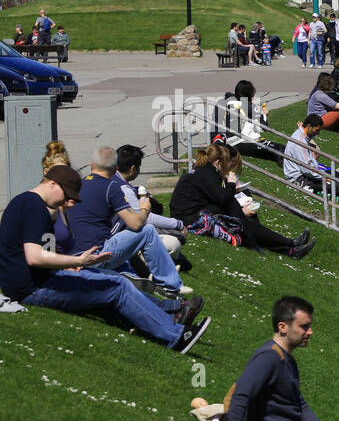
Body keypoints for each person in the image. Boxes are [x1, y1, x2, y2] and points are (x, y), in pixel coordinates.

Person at [0, 165, 209, 351]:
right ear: (52, 184)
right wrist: (77, 261)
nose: (68, 202)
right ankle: (175, 336)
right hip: (32, 288)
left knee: (105, 279)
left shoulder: (23, 201)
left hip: (29, 282)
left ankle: (170, 315)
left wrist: (68, 265)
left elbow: (35, 254)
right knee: (117, 285)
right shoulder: (35, 207)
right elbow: (34, 257)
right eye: (66, 195)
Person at [218, 296, 333, 421]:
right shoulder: (269, 357)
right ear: (283, 327)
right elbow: (240, 394)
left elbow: (300, 405)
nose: (310, 332)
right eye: (304, 327)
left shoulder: (287, 360)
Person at [66, 146, 188, 297]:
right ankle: (170, 286)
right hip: (97, 254)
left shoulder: (79, 185)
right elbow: (136, 224)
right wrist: (144, 208)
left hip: (72, 256)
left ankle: (128, 277)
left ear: (91, 165)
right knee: (147, 231)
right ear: (115, 169)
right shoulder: (112, 186)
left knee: (121, 247)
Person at [171, 145, 315, 258]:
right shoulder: (207, 174)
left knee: (241, 217)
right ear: (218, 162)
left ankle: (289, 248)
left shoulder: (203, 171)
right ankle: (289, 245)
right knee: (242, 223)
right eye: (227, 162)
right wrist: (231, 184)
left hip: (190, 213)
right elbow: (222, 198)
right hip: (191, 219)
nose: (229, 165)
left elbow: (218, 198)